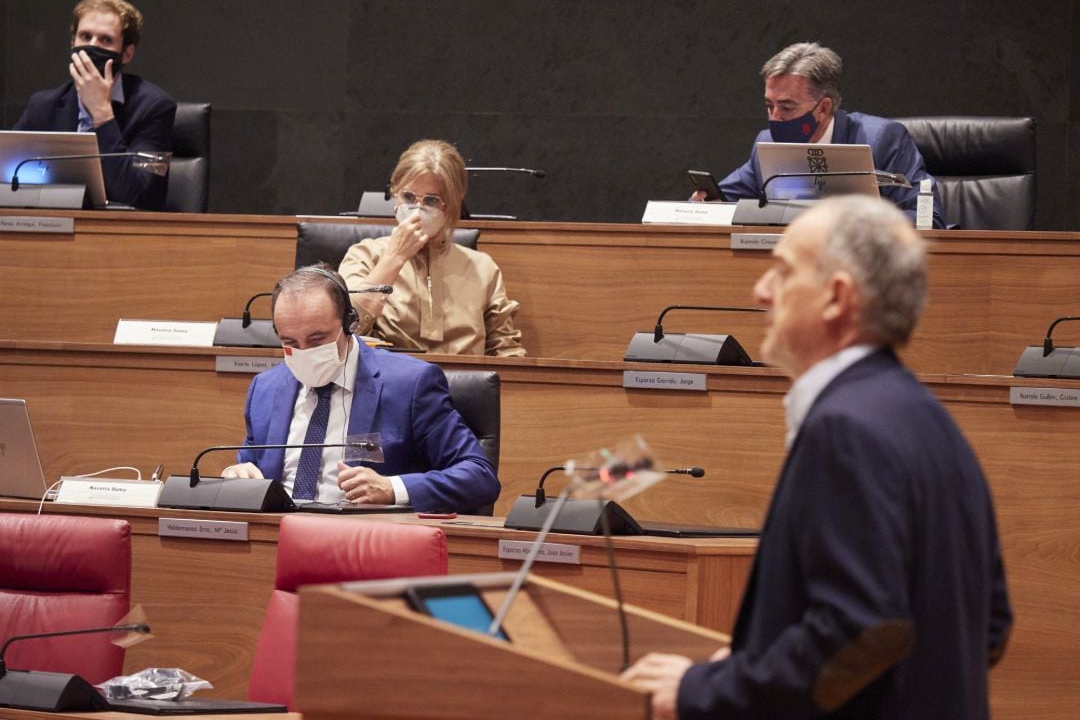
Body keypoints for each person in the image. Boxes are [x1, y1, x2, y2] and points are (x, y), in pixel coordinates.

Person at [621, 196, 1011, 718]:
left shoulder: (846, 430)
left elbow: (861, 629)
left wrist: (710, 689)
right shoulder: (931, 421)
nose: (760, 292)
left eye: (782, 272)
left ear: (835, 297)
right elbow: (989, 626)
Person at [221, 264, 500, 514]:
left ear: (349, 323)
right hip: (276, 541)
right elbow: (251, 472)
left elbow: (479, 477)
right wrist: (238, 477)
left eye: (317, 339)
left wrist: (393, 489)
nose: (304, 352)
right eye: (290, 342)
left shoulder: (410, 384)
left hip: (365, 543)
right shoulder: (266, 388)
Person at [700, 42, 945, 228]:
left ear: (824, 108)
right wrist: (705, 205)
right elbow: (721, 202)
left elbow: (927, 219)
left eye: (786, 107)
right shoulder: (767, 144)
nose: (774, 117)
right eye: (768, 105)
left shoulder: (881, 139)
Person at [338, 139, 525, 356]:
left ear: (452, 205)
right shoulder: (365, 255)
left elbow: (505, 351)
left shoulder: (483, 268)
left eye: (432, 200)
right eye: (407, 196)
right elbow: (346, 329)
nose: (417, 210)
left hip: (464, 386)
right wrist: (395, 257)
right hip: (392, 382)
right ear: (395, 194)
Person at [13, 0, 176, 210]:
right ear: (72, 43)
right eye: (85, 36)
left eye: (105, 40)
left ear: (127, 54)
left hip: (122, 233)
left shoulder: (155, 108)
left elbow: (138, 195)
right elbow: (8, 178)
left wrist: (102, 113)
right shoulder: (43, 106)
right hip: (53, 227)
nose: (91, 47)